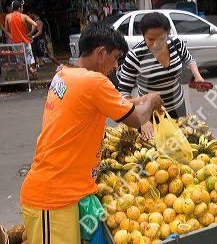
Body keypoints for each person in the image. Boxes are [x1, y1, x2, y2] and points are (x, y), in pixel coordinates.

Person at [20, 22, 163, 244]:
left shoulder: (66, 74)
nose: (115, 66)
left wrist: (142, 100)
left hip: (63, 194)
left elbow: (117, 104)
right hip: (52, 198)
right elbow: (137, 118)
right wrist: (152, 99)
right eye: (115, 58)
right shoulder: (94, 81)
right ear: (100, 53)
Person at [117, 12, 208, 139]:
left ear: (168, 34)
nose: (156, 44)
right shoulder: (135, 56)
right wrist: (140, 119)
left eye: (161, 39)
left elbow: (189, 59)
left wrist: (198, 77)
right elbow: (123, 93)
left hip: (178, 108)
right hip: (150, 115)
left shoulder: (176, 44)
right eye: (150, 39)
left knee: (180, 144)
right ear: (143, 36)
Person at [4, 0, 38, 78]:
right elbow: (35, 25)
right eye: (22, 7)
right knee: (30, 59)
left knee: (20, 61)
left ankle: (23, 77)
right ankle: (32, 72)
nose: (22, 9)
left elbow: (6, 30)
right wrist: (30, 34)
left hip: (16, 43)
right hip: (25, 42)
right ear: (19, 8)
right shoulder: (24, 16)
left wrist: (10, 35)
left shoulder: (8, 17)